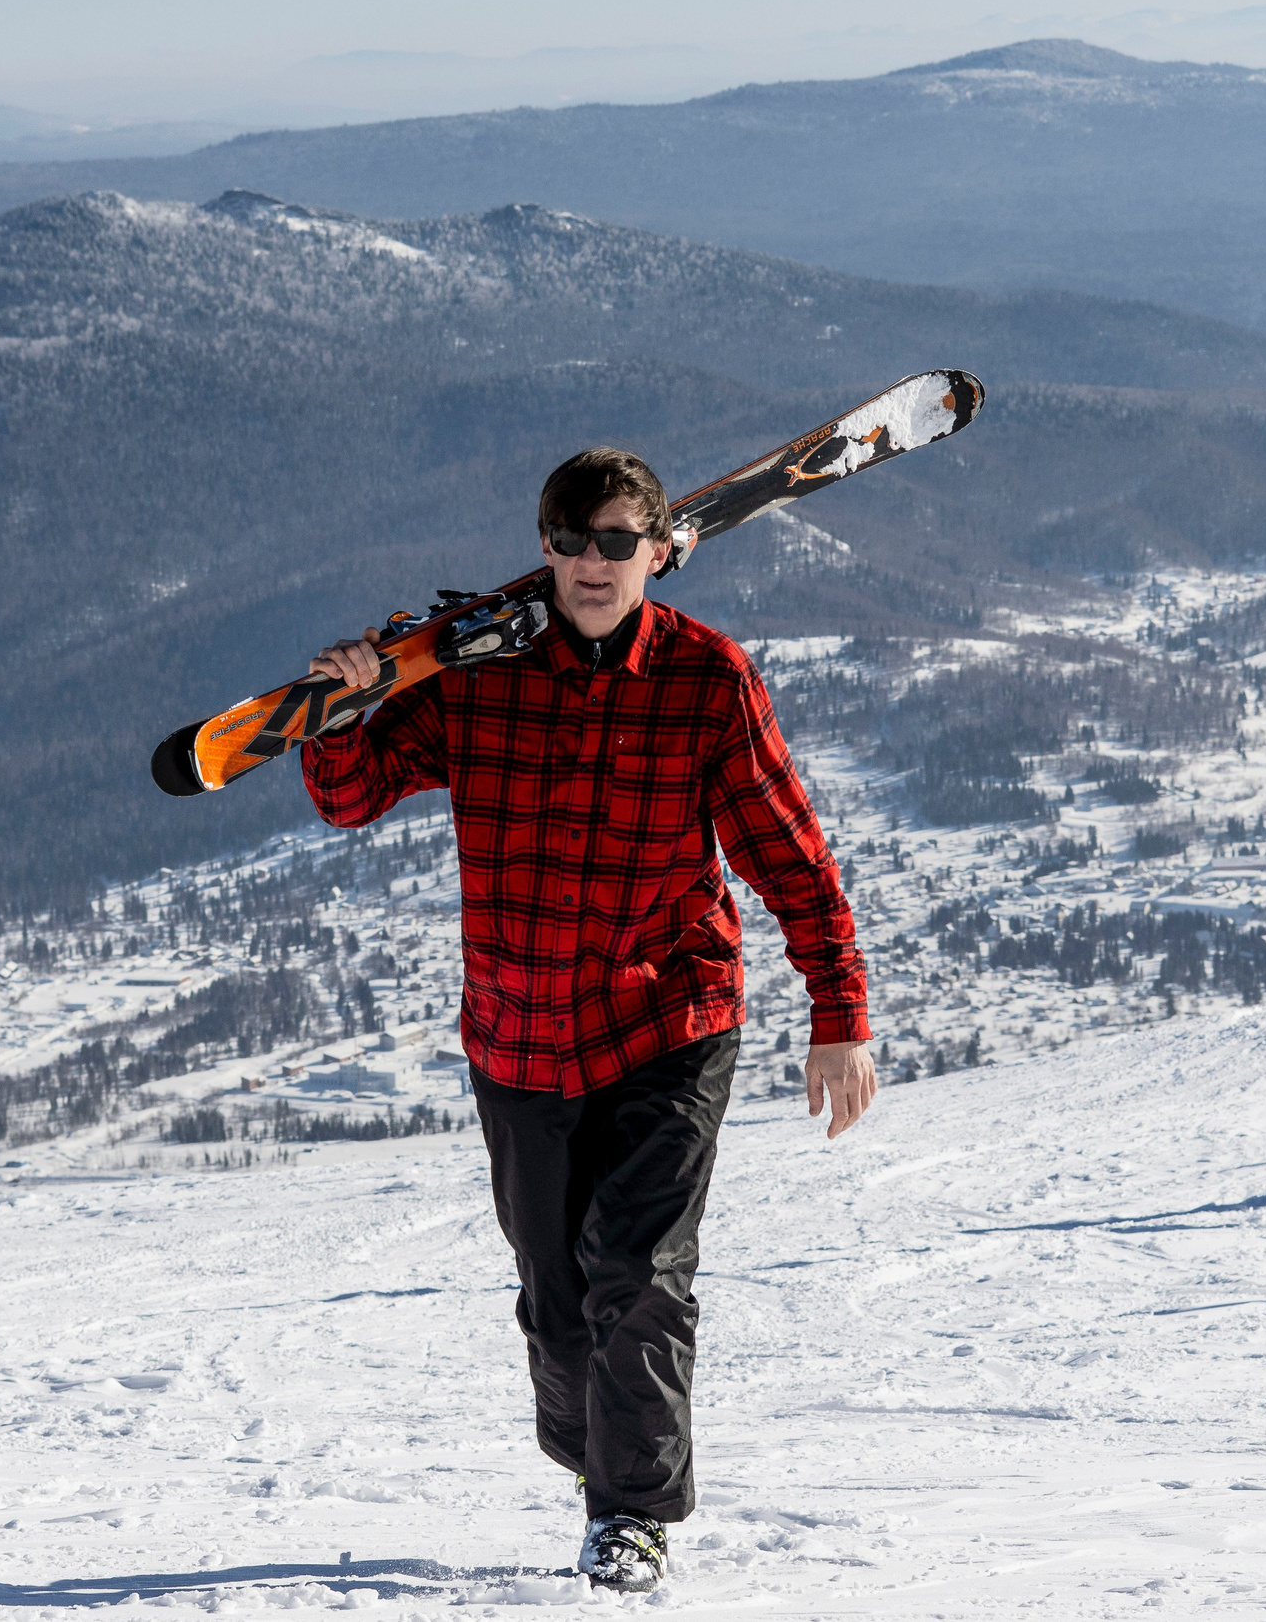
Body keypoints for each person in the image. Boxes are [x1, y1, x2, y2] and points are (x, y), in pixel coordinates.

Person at [302, 446, 876, 1593]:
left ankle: (631, 1515)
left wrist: (839, 1009)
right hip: (518, 1031)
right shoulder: (473, 672)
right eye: (572, 543)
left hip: (670, 1018)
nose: (594, 564)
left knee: (639, 1270)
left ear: (659, 553)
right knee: (556, 1301)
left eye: (620, 542)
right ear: (546, 551)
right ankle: (594, 1451)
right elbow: (351, 798)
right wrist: (347, 705)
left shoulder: (709, 680)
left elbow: (788, 856)